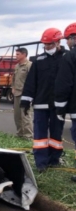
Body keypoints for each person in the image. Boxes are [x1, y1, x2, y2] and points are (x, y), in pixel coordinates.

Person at [21, 28, 68, 173]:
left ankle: (54, 160)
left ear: (58, 42)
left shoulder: (67, 58)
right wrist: (25, 100)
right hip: (41, 103)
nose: (47, 47)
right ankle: (41, 163)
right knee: (40, 135)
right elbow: (31, 82)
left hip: (59, 104)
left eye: (50, 44)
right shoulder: (38, 60)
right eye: (45, 45)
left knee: (56, 133)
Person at [54, 22, 76, 180]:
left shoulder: (70, 56)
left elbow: (64, 84)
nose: (66, 42)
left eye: (68, 39)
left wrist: (60, 108)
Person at [12, 47, 33, 140]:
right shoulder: (17, 66)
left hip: (26, 95)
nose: (16, 56)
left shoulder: (29, 65)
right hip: (17, 93)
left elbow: (32, 80)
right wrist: (13, 87)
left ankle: (28, 136)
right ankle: (20, 134)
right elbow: (14, 78)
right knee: (17, 116)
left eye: (18, 54)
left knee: (25, 116)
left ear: (24, 54)